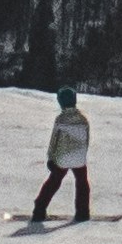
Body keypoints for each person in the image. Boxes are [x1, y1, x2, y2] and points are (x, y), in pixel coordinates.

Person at [33, 85, 92, 220]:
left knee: (54, 181)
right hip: (79, 158)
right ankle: (83, 212)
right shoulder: (83, 119)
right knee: (82, 182)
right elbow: (86, 140)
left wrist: (51, 158)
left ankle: (39, 209)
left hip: (62, 158)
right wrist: (81, 157)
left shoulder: (60, 119)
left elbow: (54, 141)